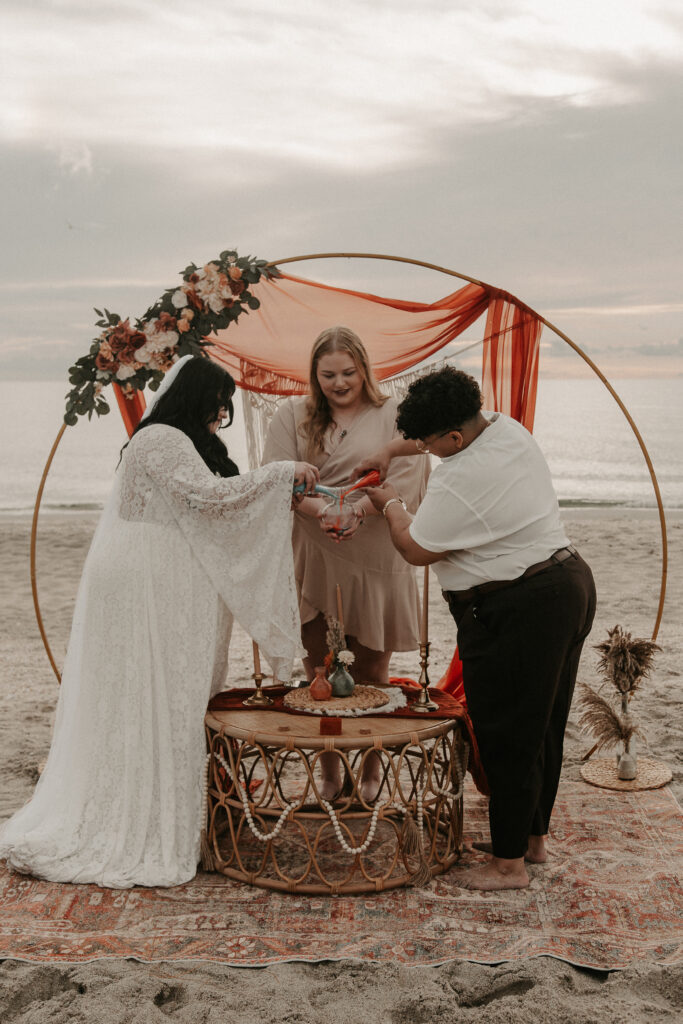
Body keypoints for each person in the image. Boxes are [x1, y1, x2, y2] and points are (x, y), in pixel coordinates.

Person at [0, 356, 319, 888]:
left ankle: (169, 811)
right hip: (147, 580)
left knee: (170, 693)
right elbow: (210, 497)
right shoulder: (163, 439)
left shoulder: (175, 439)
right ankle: (141, 823)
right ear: (197, 398)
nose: (223, 414)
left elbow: (215, 504)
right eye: (218, 403)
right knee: (152, 692)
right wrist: (282, 471)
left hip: (162, 574)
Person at [359, 367, 596, 890]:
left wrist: (392, 504)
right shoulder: (508, 429)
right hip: (568, 584)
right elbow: (434, 440)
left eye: (429, 442)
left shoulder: (460, 480)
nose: (426, 449)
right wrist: (392, 453)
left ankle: (508, 866)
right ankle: (530, 843)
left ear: (454, 438)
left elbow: (416, 548)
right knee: (543, 725)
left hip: (520, 607)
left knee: (507, 733)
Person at [262, 326, 430, 799]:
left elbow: (410, 472)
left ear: (365, 369)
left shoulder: (394, 414)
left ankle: (373, 770)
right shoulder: (291, 415)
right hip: (315, 548)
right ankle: (331, 772)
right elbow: (276, 478)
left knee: (375, 673)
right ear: (314, 375)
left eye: (349, 373)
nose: (339, 383)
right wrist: (323, 513)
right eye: (329, 374)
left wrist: (356, 510)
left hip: (377, 549)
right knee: (321, 670)